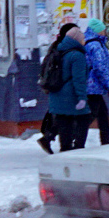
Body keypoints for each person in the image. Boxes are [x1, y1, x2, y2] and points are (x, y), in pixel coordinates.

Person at [47, 25, 93, 152]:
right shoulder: (77, 55)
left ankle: (65, 150)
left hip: (56, 93)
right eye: (83, 38)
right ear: (77, 39)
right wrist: (82, 98)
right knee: (84, 119)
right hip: (71, 96)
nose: (84, 40)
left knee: (64, 123)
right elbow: (79, 80)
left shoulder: (59, 50)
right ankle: (78, 149)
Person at [36, 23, 78, 154]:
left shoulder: (56, 46)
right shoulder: (66, 48)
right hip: (62, 87)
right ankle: (63, 144)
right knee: (65, 117)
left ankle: (50, 137)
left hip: (54, 86)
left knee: (60, 115)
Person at [82, 18, 109, 146]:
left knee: (102, 114)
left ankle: (107, 141)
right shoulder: (96, 46)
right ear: (98, 31)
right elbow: (100, 68)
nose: (105, 31)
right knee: (89, 117)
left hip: (90, 86)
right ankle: (76, 139)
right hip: (93, 87)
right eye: (103, 29)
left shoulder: (88, 43)